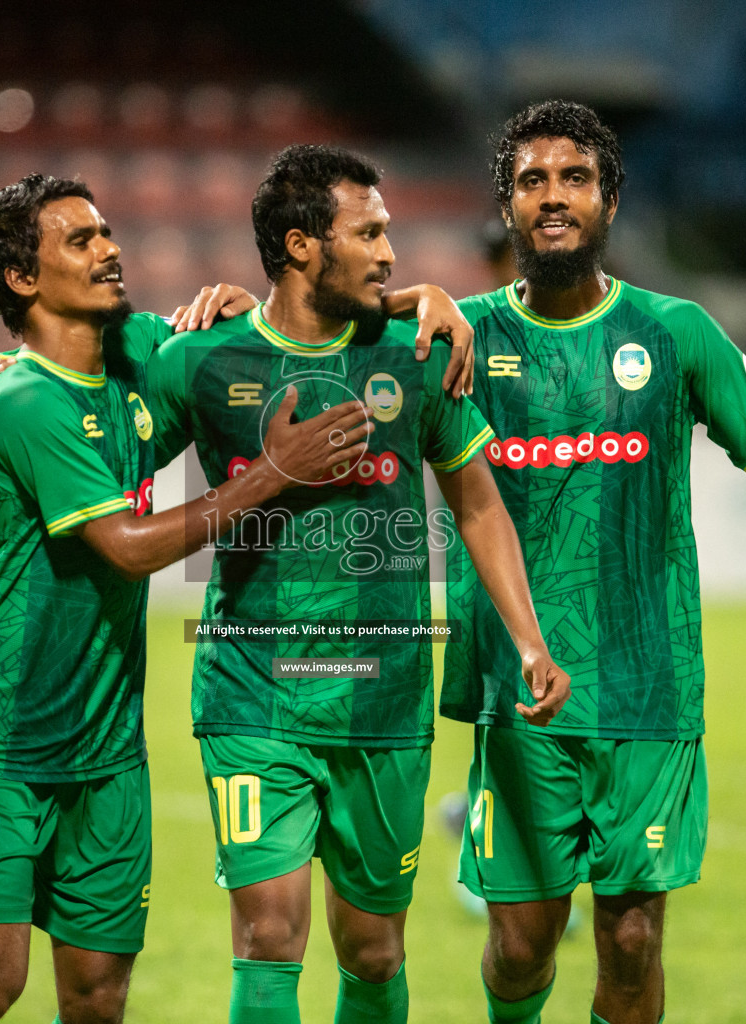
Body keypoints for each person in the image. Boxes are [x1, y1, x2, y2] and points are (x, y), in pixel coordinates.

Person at [0, 173, 375, 1024]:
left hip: (108, 745)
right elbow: (126, 548)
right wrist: (273, 474)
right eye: (80, 241)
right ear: (22, 280)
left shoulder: (142, 352)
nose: (111, 249)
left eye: (107, 232)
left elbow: (296, 315)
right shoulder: (22, 400)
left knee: (99, 996)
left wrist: (418, 296)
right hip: (1, 739)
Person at [440, 100, 746, 1024]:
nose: (553, 198)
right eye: (532, 181)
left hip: (649, 685)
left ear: (612, 202)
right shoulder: (460, 335)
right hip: (521, 693)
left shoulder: (676, 331)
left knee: (631, 939)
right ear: (506, 207)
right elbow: (318, 337)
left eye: (575, 178)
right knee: (520, 947)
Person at [146, 144, 569, 1024]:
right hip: (252, 696)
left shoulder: (415, 356)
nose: (389, 253)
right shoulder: (204, 359)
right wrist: (12, 378)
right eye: (369, 232)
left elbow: (480, 507)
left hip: (385, 701)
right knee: (269, 935)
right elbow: (99, 443)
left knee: (374, 951)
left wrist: (530, 640)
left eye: (389, 233)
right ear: (302, 246)